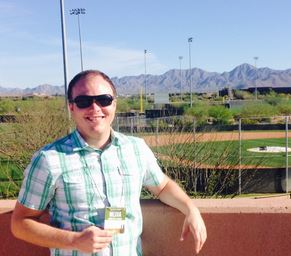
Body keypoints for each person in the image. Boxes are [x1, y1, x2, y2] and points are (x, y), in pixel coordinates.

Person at [11, 70, 207, 255]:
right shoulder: (48, 159)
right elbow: (20, 223)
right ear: (71, 107)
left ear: (114, 104)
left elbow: (162, 187)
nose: (95, 108)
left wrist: (190, 209)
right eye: (83, 101)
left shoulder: (136, 149)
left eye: (104, 100)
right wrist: (74, 240)